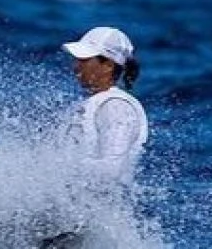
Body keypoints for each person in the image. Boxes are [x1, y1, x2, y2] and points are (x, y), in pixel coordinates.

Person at [38, 26, 149, 249]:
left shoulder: (116, 107)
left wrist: (54, 172)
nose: (75, 66)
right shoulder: (95, 104)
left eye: (84, 59)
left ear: (108, 64)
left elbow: (112, 168)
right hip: (68, 222)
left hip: (83, 228)